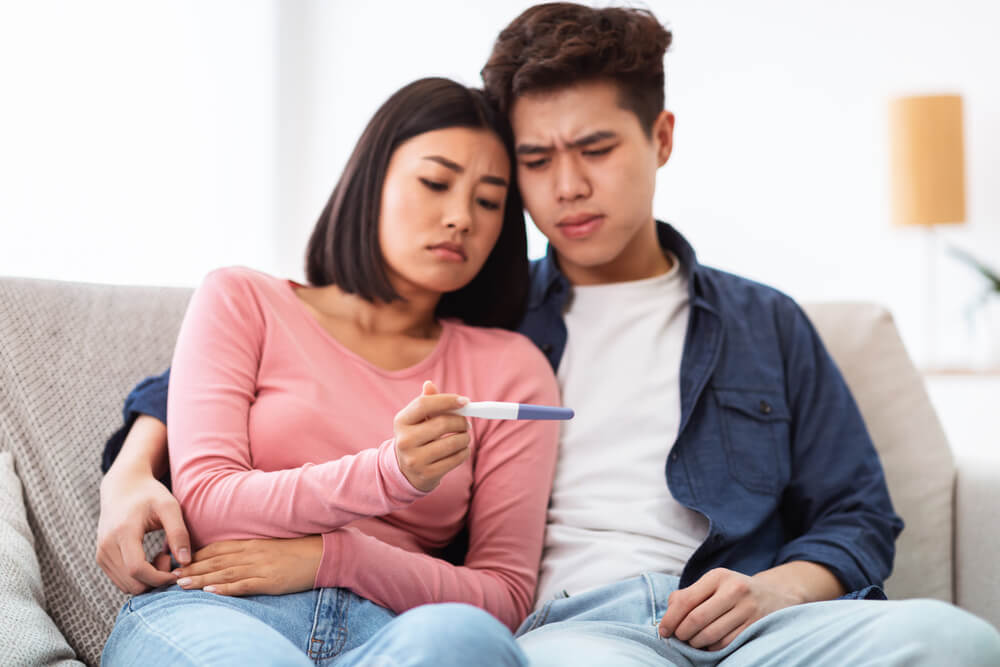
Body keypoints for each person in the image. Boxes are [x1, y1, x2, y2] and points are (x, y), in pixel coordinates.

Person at [100, 4, 1000, 666]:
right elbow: (245, 370)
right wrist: (132, 470)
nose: (566, 186)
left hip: (752, 614)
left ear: (663, 138)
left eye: (597, 149)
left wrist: (772, 588)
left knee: (956, 640)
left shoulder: (765, 323)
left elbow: (858, 513)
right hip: (578, 627)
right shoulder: (490, 317)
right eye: (534, 161)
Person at [99, 76, 559, 666]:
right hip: (222, 607)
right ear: (372, 183)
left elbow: (506, 596)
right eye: (435, 182)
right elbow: (209, 501)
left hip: (398, 628)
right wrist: (390, 473)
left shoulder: (512, 369)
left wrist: (336, 557)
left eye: (489, 200)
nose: (461, 217)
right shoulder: (243, 300)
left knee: (468, 643)